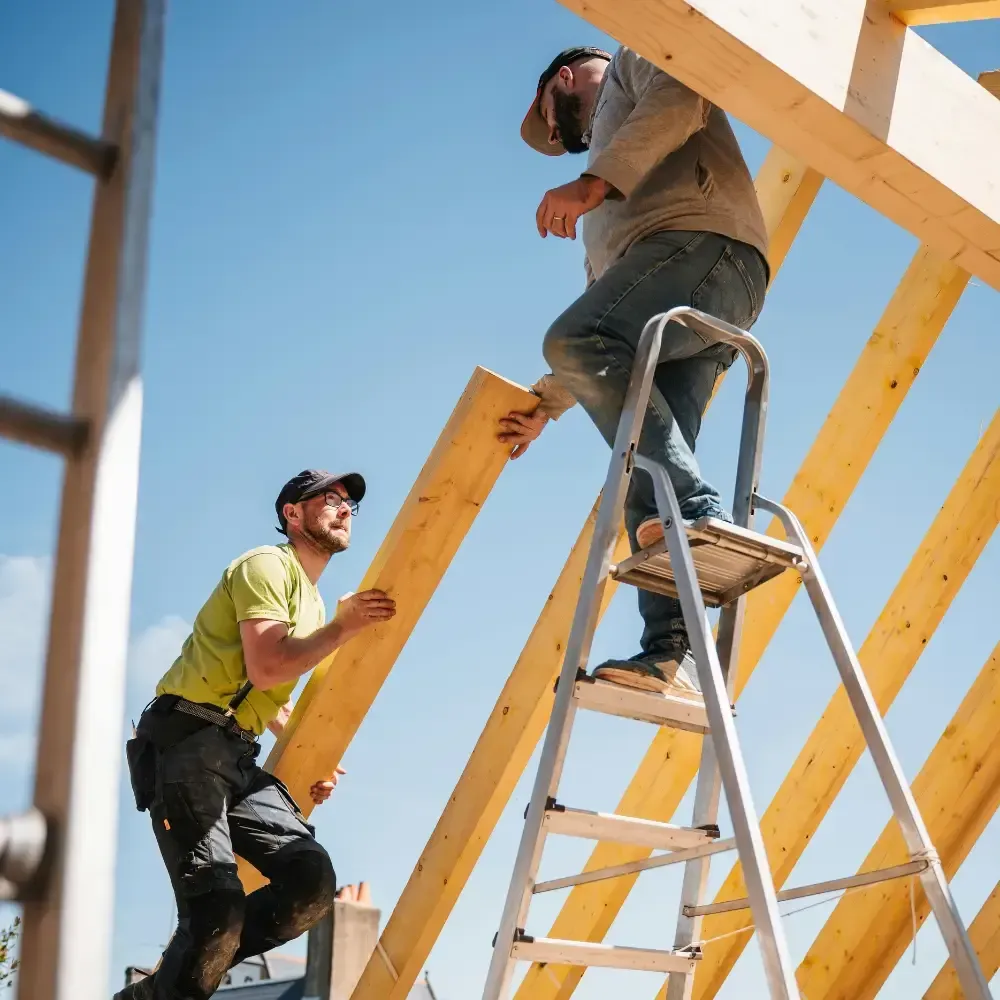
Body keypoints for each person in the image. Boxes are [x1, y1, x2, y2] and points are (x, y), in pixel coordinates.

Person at [498, 46, 769, 699]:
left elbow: (682, 90)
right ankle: (673, 657)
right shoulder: (607, 183)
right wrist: (549, 404)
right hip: (676, 285)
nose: (568, 142)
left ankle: (699, 508)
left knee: (575, 340)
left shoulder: (636, 53)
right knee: (645, 475)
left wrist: (593, 185)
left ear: (559, 82)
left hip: (703, 248)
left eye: (555, 128)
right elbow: (608, 325)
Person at [117, 469, 396, 1000]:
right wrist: (343, 628)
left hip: (234, 754)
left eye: (348, 504)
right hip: (186, 739)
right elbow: (268, 668)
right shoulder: (266, 565)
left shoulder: (311, 602)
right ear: (292, 514)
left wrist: (315, 758)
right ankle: (198, 948)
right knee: (216, 907)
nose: (343, 509)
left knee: (310, 886)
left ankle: (188, 961)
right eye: (329, 499)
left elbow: (269, 697)